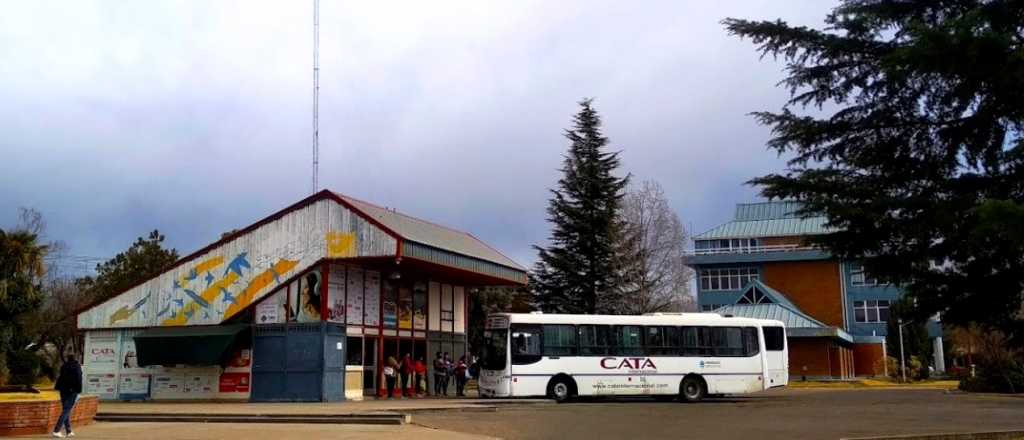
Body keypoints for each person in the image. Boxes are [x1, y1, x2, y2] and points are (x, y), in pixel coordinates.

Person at [52, 355, 82, 438]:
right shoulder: (77, 366)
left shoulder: (64, 366)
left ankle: (69, 431)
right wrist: (78, 390)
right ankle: (56, 430)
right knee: (66, 410)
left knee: (66, 410)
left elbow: (61, 377)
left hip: (63, 390)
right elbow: (78, 378)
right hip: (72, 390)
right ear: (76, 359)